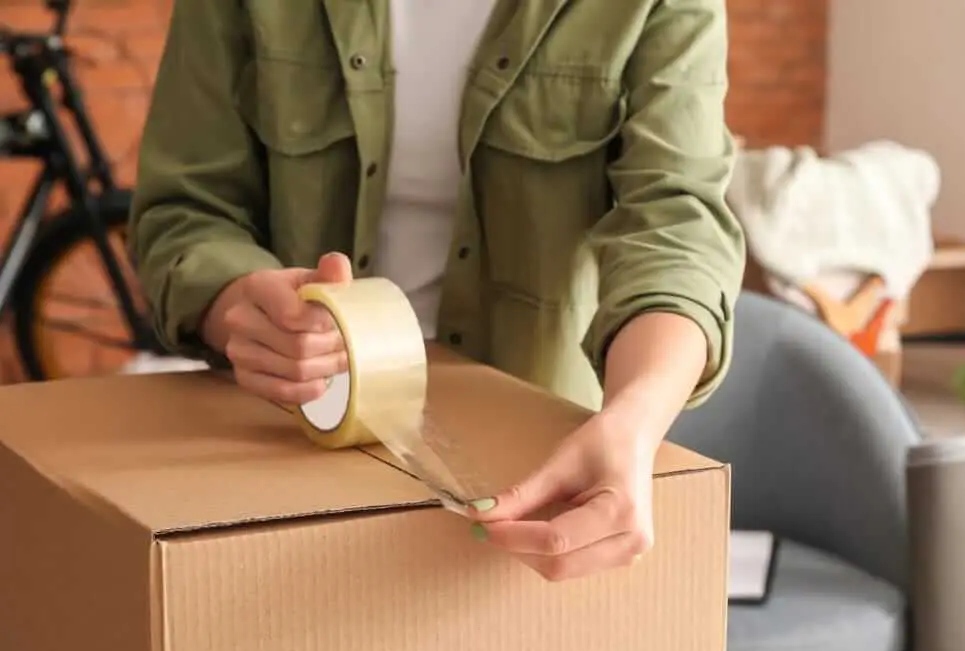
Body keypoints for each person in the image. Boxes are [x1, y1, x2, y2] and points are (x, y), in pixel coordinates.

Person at [128, 0, 744, 581]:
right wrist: (237, 305)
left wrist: (632, 424)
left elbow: (676, 222)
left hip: (536, 460)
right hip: (290, 436)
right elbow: (185, 207)